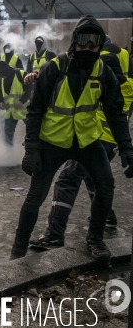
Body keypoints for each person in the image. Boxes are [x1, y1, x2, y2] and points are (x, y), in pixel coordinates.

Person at [12, 15, 133, 261]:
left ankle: (95, 239)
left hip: (88, 141)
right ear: (74, 42)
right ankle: (18, 250)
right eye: (83, 41)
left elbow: (116, 113)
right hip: (52, 142)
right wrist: (31, 149)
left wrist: (127, 147)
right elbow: (34, 111)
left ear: (100, 45)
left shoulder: (104, 73)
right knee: (36, 196)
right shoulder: (55, 68)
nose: (88, 47)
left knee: (106, 186)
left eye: (94, 42)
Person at [29, 51, 133, 249]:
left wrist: (39, 74)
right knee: (96, 181)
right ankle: (108, 216)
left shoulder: (100, 82)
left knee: (67, 180)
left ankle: (55, 235)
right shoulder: (128, 86)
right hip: (109, 143)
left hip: (93, 139)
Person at [0, 61, 32, 146]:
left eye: (1, 74)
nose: (0, 77)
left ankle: (31, 150)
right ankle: (9, 153)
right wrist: (0, 101)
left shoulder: (21, 74)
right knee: (8, 135)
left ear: (5, 71)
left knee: (32, 131)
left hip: (24, 111)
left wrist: (22, 101)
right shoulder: (2, 78)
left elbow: (30, 88)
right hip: (10, 112)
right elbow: (0, 92)